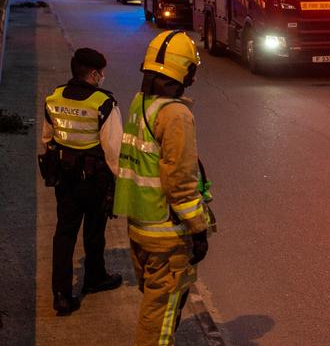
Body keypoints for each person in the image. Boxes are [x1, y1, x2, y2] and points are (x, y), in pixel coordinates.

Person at [113, 30, 210, 346]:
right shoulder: (176, 114)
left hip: (140, 226)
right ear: (185, 71)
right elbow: (180, 182)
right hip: (167, 236)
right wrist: (198, 229)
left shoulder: (142, 102)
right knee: (160, 320)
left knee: (153, 306)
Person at [41, 48, 123, 315]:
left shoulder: (53, 97)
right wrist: (117, 181)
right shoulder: (103, 103)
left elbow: (47, 139)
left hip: (65, 178)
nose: (103, 76)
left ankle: (62, 295)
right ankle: (94, 277)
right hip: (95, 179)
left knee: (64, 232)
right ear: (94, 73)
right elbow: (113, 149)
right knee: (94, 230)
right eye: (101, 72)